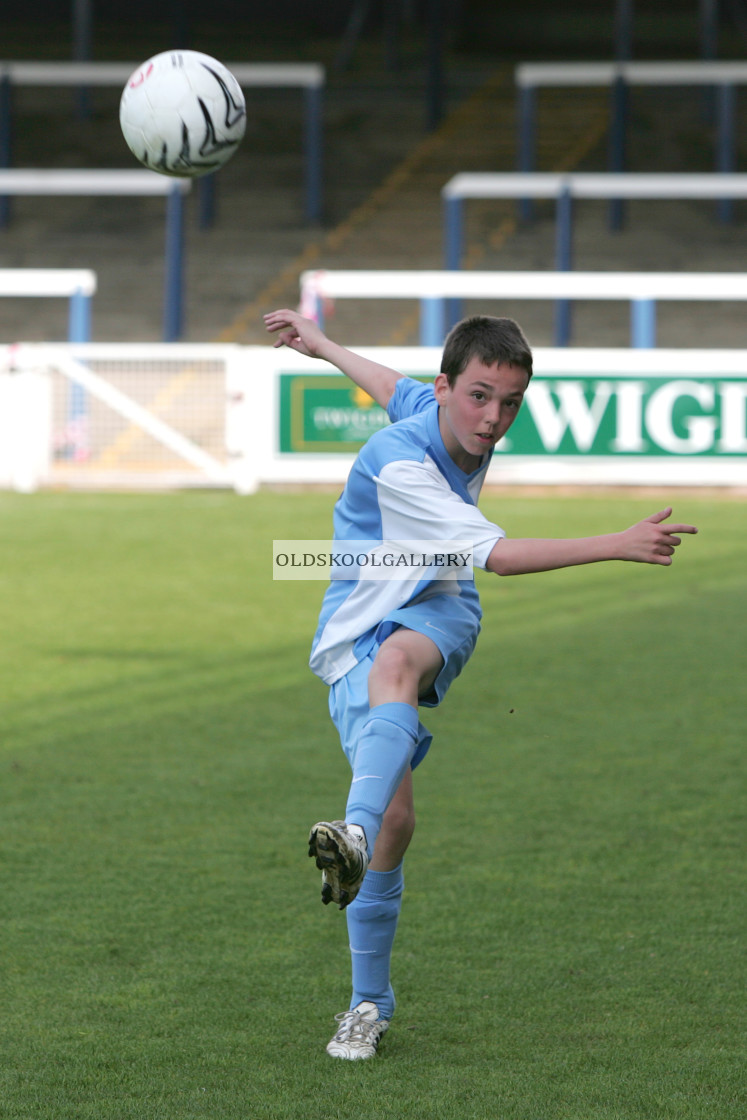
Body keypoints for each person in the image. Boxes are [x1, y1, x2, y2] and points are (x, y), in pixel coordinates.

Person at [263, 307, 698, 1061]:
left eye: (509, 402)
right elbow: (497, 554)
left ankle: (352, 836)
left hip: (438, 607)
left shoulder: (440, 409)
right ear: (446, 389)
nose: (492, 419)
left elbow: (390, 386)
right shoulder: (399, 463)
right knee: (396, 822)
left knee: (398, 674)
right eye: (478, 397)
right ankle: (370, 998)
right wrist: (617, 543)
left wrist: (326, 345)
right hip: (351, 631)